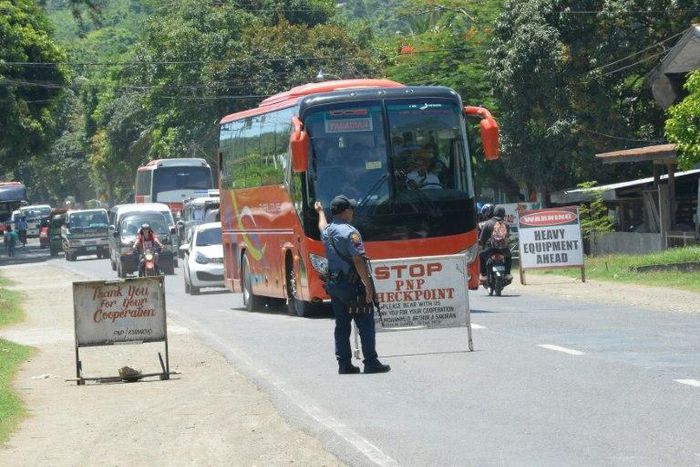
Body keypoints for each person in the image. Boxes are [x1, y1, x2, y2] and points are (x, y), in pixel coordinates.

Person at [315, 195, 391, 375]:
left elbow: (322, 225)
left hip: (336, 286)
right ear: (345, 211)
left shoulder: (328, 232)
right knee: (365, 323)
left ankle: (344, 364)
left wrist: (319, 212)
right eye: (351, 209)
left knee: (342, 326)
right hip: (353, 286)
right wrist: (369, 287)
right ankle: (371, 362)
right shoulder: (351, 232)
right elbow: (358, 260)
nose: (353, 212)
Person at [478, 205, 512, 282]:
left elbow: (482, 239)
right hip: (503, 249)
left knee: (481, 255)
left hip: (491, 249)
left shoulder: (488, 223)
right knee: (509, 256)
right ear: (504, 213)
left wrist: (481, 245)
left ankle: (484, 275)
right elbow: (507, 237)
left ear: (494, 212)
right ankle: (507, 274)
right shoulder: (506, 224)